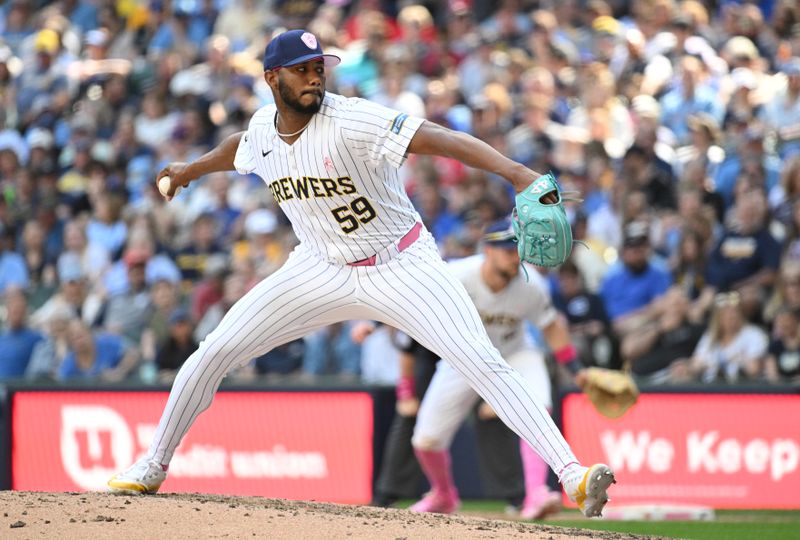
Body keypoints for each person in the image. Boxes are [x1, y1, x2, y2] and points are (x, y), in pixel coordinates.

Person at [108, 29, 615, 518]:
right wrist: (190, 170)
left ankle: (571, 474)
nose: (314, 78)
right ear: (271, 79)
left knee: (481, 359)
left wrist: (518, 174)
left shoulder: (351, 120)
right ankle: (153, 463)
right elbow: (238, 148)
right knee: (215, 350)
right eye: (301, 70)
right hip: (319, 267)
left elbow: (435, 136)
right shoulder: (263, 130)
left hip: (400, 263)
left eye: (318, 68)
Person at [408, 220, 580, 519]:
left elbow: (551, 327)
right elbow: (414, 298)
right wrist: (372, 323)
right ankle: (443, 495)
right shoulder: (458, 274)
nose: (515, 256)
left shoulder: (531, 284)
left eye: (518, 249)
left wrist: (576, 370)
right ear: (488, 249)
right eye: (507, 249)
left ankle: (537, 493)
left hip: (515, 353)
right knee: (426, 439)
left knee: (538, 405)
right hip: (465, 357)